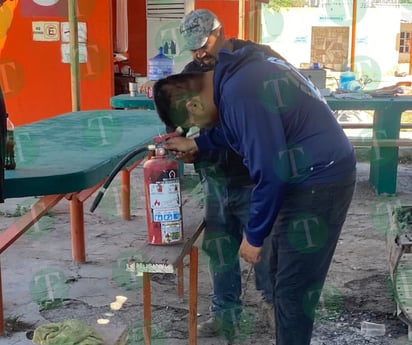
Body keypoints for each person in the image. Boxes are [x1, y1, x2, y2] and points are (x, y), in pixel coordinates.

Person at [152, 46, 356, 345]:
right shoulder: (238, 76)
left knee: (291, 290)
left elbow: (271, 173)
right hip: (315, 173)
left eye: (193, 124)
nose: (197, 128)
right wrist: (198, 144)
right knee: (281, 279)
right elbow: (237, 131)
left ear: (194, 105)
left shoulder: (240, 93)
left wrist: (254, 235)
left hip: (320, 181)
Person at [177, 9, 286, 339]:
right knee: (220, 250)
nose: (199, 53)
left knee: (263, 248)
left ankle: (274, 308)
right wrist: (177, 131)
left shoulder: (257, 60)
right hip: (217, 178)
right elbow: (180, 116)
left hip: (255, 177)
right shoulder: (192, 73)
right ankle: (225, 314)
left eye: (203, 44)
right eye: (193, 47)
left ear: (219, 32)